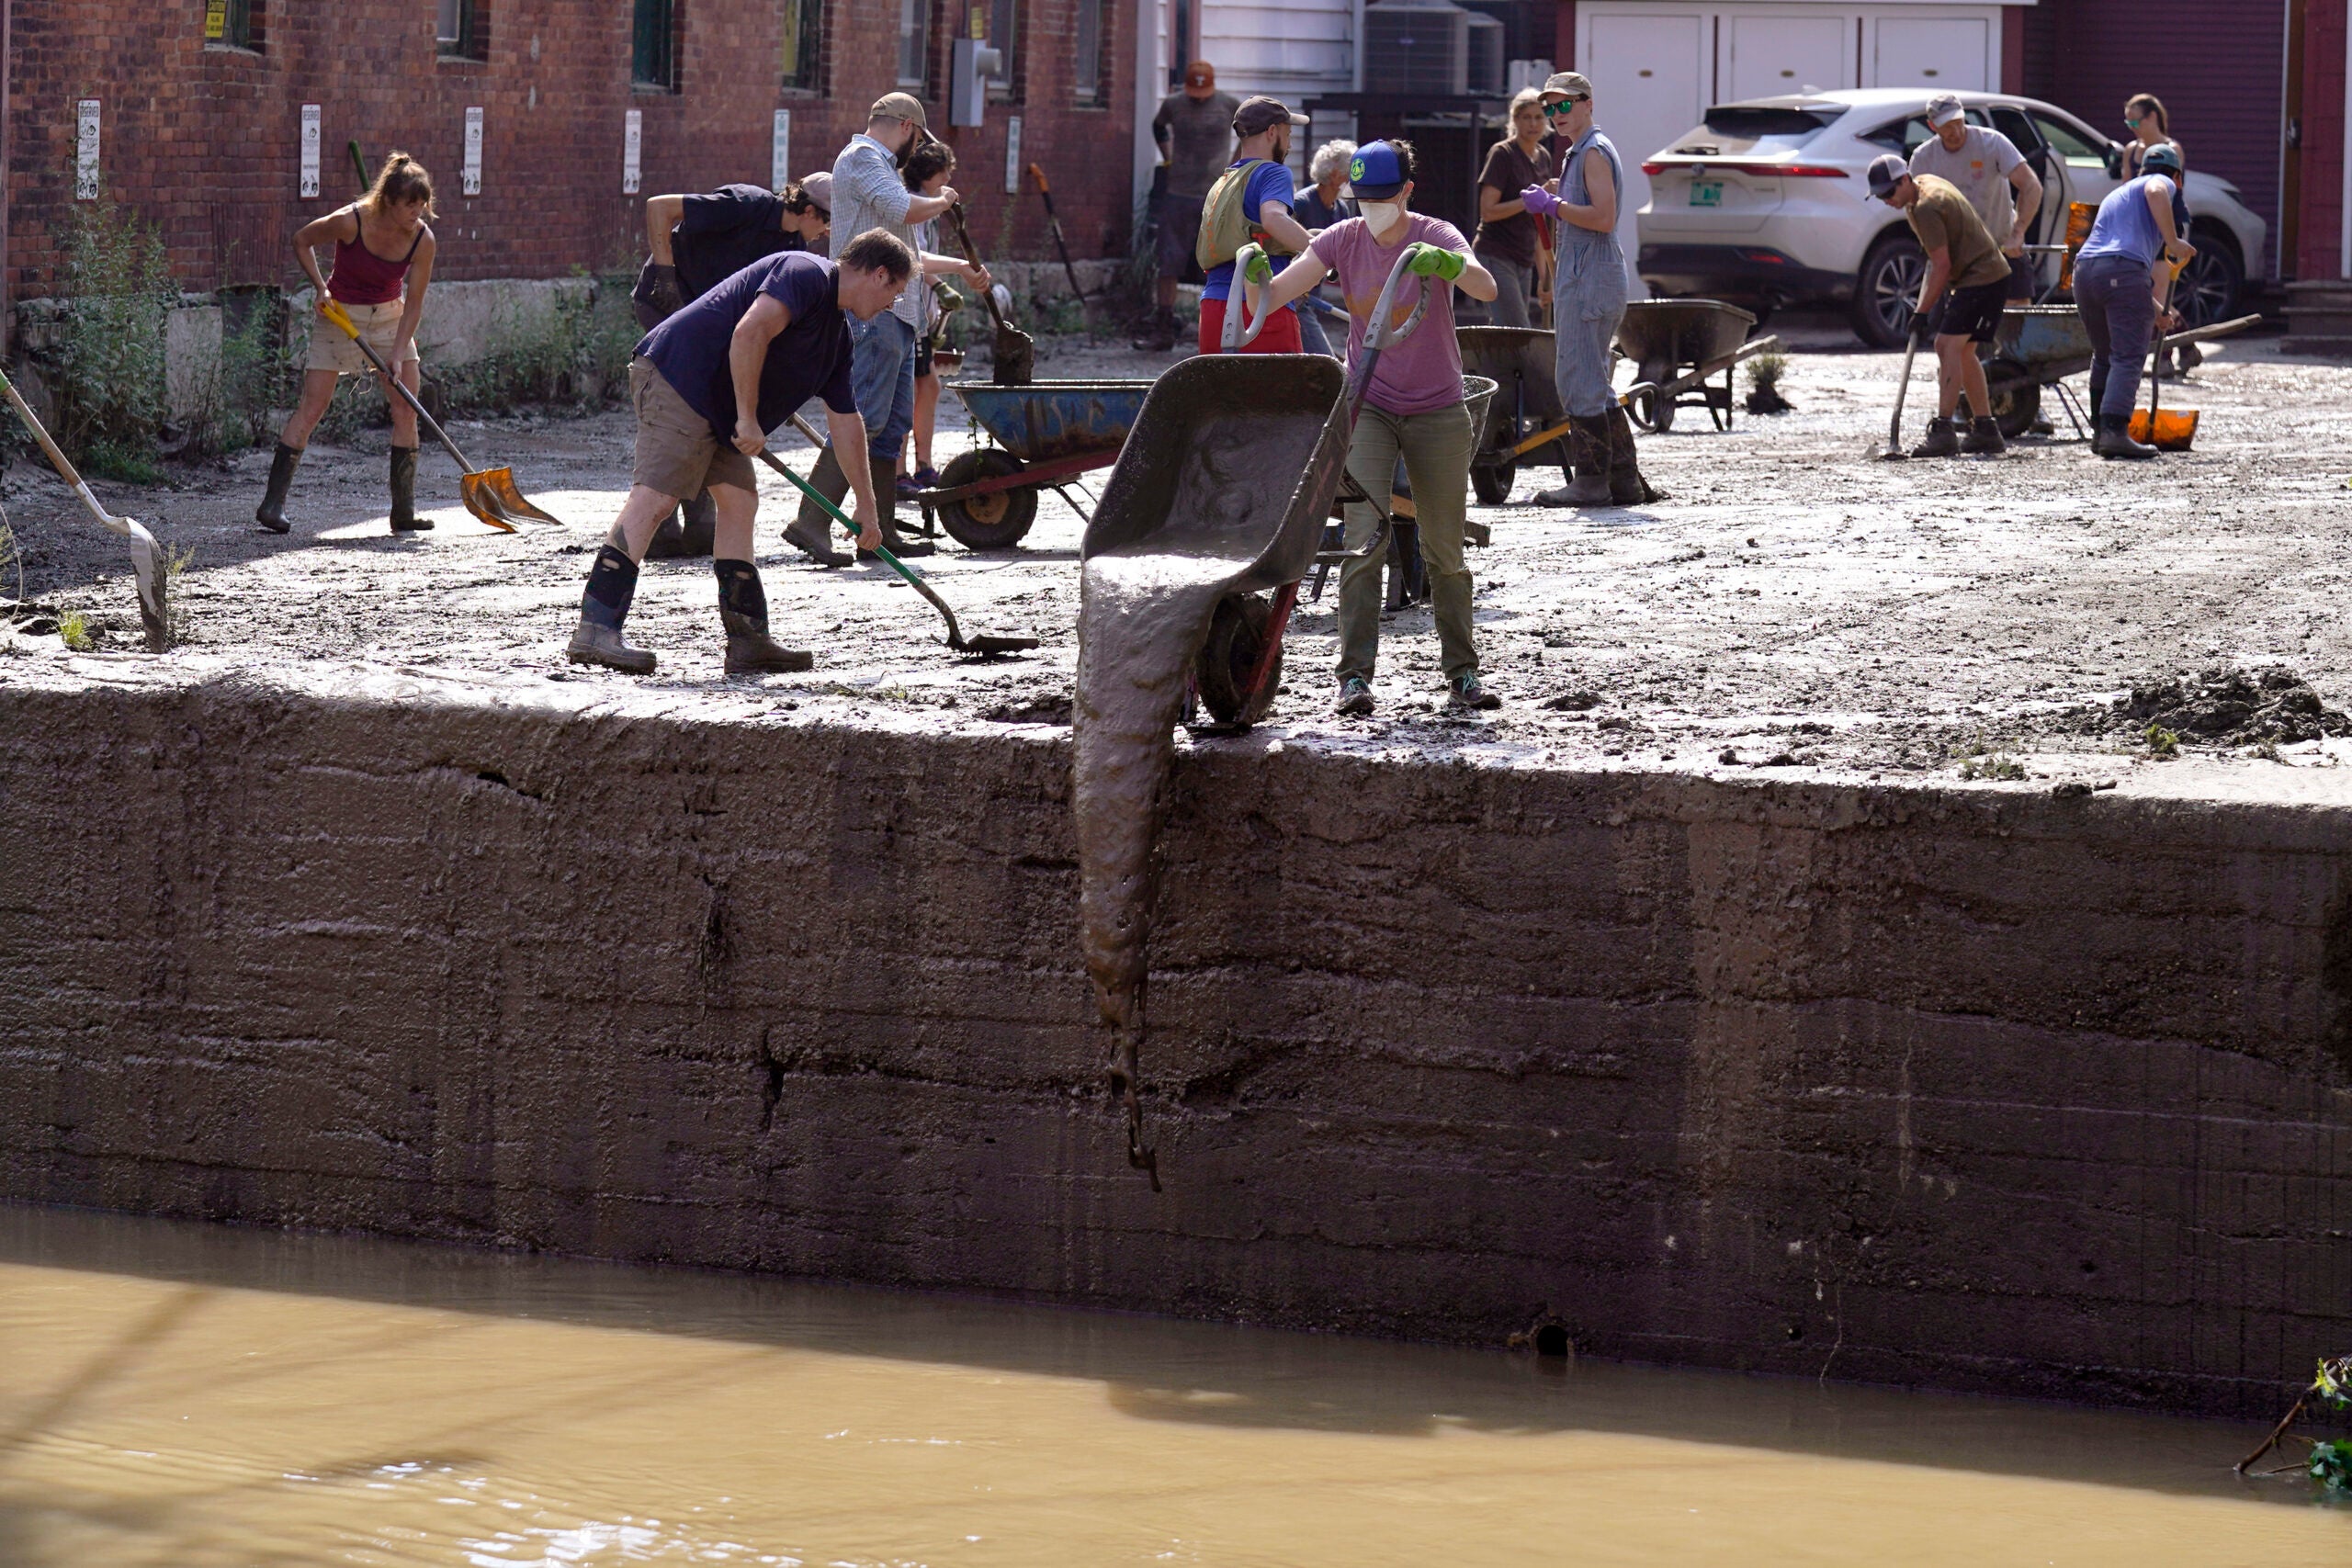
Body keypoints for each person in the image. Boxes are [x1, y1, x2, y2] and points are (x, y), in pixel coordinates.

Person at [563, 233, 912, 676]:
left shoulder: (837, 338)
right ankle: (595, 630)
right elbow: (750, 332)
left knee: (740, 501)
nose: (892, 304)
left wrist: (866, 506)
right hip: (679, 378)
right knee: (656, 500)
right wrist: (747, 420)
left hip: (718, 407)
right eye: (894, 292)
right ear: (879, 274)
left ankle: (748, 641)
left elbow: (847, 422)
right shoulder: (805, 273)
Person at [1248, 140, 1502, 716]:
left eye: (1384, 197)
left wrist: (1451, 266)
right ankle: (1354, 677)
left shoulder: (1435, 234)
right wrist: (1262, 276)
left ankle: (1462, 673)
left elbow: (1484, 286)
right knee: (1364, 539)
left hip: (1437, 407)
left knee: (1444, 549)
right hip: (1370, 405)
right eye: (1365, 199)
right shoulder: (1343, 238)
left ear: (1407, 192)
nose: (1374, 208)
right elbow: (1284, 292)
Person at [796, 95, 990, 567]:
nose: (915, 150)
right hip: (872, 310)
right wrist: (942, 200)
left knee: (887, 428)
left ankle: (876, 532)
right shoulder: (863, 159)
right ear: (907, 127)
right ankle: (810, 521)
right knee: (863, 417)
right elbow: (903, 209)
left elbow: (909, 254)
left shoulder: (877, 166)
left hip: (898, 312)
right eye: (916, 139)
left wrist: (962, 268)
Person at [629, 173, 834, 558]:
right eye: (825, 222)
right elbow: (659, 207)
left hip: (714, 324)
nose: (825, 233)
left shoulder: (790, 245)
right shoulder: (746, 205)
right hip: (668, 305)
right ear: (808, 210)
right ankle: (662, 520)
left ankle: (700, 517)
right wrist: (666, 275)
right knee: (681, 399)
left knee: (713, 402)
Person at [255, 152, 438, 536]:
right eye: (410, 205)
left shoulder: (423, 239)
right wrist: (320, 287)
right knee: (313, 405)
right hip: (339, 316)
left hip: (390, 317)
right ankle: (272, 505)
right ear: (388, 200)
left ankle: (403, 511)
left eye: (422, 205)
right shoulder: (351, 220)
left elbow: (416, 302)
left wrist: (397, 350)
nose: (416, 213)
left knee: (406, 407)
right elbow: (301, 241)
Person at [1518, 73, 1661, 506]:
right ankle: (1623, 480)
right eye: (1550, 108)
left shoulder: (1593, 152)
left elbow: (1603, 218)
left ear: (1587, 104)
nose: (1556, 115)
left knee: (1579, 379)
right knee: (1593, 380)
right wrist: (1560, 192)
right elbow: (1592, 203)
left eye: (1565, 105)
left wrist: (1554, 206)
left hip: (1590, 277)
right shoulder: (1581, 153)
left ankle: (1591, 482)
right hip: (1590, 275)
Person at [1865, 153, 2011, 457]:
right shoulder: (1925, 186)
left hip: (1981, 278)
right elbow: (1937, 260)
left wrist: (1922, 312)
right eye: (1880, 196)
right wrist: (1924, 306)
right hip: (1985, 276)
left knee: (1947, 346)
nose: (1886, 200)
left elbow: (1942, 266)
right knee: (1964, 351)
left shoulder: (1925, 207)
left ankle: (1944, 431)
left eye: (1889, 192)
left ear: (1905, 179)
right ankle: (1986, 429)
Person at [2071, 142, 2193, 460]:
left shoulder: (2120, 193)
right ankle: (2115, 432)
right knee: (2128, 356)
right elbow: (2156, 191)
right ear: (2177, 177)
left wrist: (2154, 312)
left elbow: (2116, 270)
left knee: (2105, 355)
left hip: (2085, 272)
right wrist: (2173, 241)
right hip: (2122, 270)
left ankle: (2100, 432)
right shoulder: (2159, 182)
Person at [1133, 61, 1239, 353]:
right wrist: (1167, 156)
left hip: (1215, 196)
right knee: (1169, 261)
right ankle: (1164, 329)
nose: (1198, 99)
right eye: (1194, 93)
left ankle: (1219, 332)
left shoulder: (1229, 105)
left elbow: (1249, 131)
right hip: (1178, 193)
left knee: (1220, 262)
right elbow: (1158, 126)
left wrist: (1236, 164)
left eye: (1203, 94)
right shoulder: (1174, 104)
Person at [1194, 96, 1312, 355]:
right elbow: (1272, 217)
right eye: (1288, 133)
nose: (1290, 143)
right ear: (1272, 132)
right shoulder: (1273, 172)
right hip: (1259, 309)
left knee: (1223, 394)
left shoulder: (1224, 181)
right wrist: (1322, 250)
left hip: (1213, 307)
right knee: (1285, 395)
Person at [1907, 93, 2041, 305]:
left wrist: (2018, 232)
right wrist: (1936, 248)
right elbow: (1915, 207)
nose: (1956, 131)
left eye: (1958, 122)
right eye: (1947, 126)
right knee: (1960, 329)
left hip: (2001, 247)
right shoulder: (1924, 159)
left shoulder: (1992, 143)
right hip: (1958, 259)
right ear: (1932, 126)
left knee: (2017, 324)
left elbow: (2031, 185)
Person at [898, 137, 960, 498]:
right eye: (945, 170)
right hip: (909, 306)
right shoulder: (914, 205)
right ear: (930, 173)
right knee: (908, 390)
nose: (950, 176)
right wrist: (940, 284)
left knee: (929, 386)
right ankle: (901, 469)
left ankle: (924, 464)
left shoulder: (932, 209)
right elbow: (913, 254)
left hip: (923, 312)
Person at [1473, 89, 1554, 328]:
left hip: (1524, 258)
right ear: (1515, 120)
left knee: (1502, 330)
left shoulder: (1543, 158)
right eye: (1526, 117)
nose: (1533, 124)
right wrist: (1531, 199)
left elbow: (1540, 226)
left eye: (1539, 117)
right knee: (1518, 331)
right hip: (1496, 254)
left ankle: (1486, 365)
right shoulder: (1503, 154)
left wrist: (1545, 276)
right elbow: (1488, 211)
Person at [1291, 139, 1356, 357]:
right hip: (1294, 299)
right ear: (1336, 174)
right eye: (1352, 172)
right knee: (1323, 358)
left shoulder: (1341, 209)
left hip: (1312, 296)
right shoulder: (1302, 203)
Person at [2119, 93, 2183, 180]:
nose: (2132, 128)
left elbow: (2175, 188)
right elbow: (2125, 189)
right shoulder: (2130, 150)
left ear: (2152, 116)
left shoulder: (2172, 150)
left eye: (2135, 122)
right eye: (2129, 123)